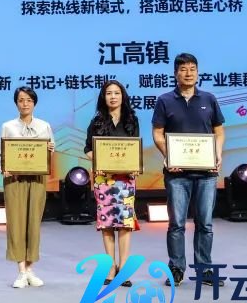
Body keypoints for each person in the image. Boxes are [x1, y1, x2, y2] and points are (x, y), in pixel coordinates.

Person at [152, 52, 225, 287]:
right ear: (175, 73)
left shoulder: (209, 99)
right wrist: (169, 156)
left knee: (205, 224)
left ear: (198, 72)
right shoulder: (165, 100)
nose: (188, 73)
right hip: (177, 174)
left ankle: (204, 270)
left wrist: (218, 154)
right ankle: (176, 268)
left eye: (192, 69)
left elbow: (219, 131)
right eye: (183, 69)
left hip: (207, 174)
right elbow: (157, 133)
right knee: (176, 225)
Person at [84, 81, 140, 287]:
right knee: (107, 225)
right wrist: (97, 162)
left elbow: (134, 148)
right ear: (103, 97)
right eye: (109, 93)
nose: (113, 97)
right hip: (104, 180)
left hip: (125, 179)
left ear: (123, 96)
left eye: (117, 93)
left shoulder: (132, 120)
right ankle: (110, 267)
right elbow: (88, 149)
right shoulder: (97, 122)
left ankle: (124, 268)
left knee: (125, 224)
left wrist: (135, 165)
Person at [0, 86, 55, 289]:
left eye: (29, 100)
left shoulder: (44, 126)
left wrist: (50, 149)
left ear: (34, 103)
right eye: (21, 100)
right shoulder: (8, 126)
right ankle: (21, 270)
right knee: (16, 223)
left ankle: (30, 269)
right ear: (16, 103)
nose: (25, 104)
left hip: (37, 179)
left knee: (34, 223)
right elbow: (1, 153)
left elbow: (49, 153)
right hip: (14, 180)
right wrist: (4, 167)